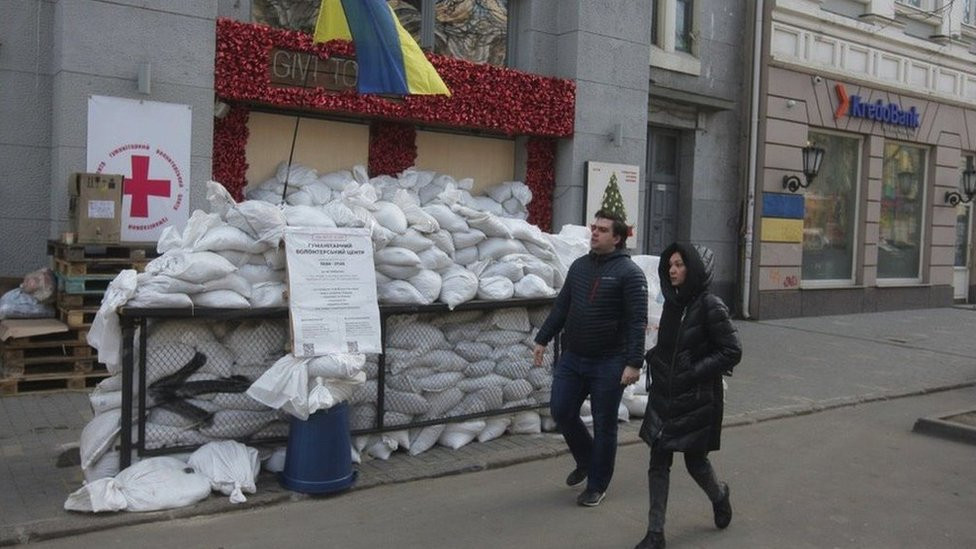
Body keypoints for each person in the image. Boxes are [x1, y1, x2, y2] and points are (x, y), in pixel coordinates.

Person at [532, 209, 648, 507]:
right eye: (593, 227)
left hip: (610, 361)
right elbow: (562, 307)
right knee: (561, 410)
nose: (594, 233)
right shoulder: (580, 266)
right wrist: (542, 339)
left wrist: (634, 362)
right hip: (574, 357)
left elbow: (637, 321)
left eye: (602, 230)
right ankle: (586, 459)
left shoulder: (630, 273)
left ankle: (597, 484)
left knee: (604, 423)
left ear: (618, 238)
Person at [634, 243, 742, 549]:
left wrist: (695, 369)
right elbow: (673, 343)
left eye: (679, 264)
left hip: (696, 399)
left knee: (696, 463)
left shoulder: (711, 306)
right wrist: (656, 356)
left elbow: (732, 351)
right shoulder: (672, 303)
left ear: (693, 269)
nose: (672, 270)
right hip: (665, 396)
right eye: (670, 265)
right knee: (658, 461)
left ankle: (719, 496)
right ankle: (655, 533)